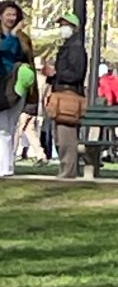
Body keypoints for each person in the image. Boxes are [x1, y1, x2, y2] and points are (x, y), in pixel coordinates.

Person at [0, 0, 37, 177]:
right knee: (1, 129)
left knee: (10, 127)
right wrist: (13, 34)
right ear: (0, 16)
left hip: (17, 87)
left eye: (14, 15)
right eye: (8, 14)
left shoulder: (24, 39)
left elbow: (29, 61)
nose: (11, 18)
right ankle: (5, 169)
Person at [49, 11, 87, 179]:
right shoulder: (68, 47)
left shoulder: (75, 48)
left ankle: (68, 170)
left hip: (69, 95)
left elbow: (76, 74)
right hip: (62, 92)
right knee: (61, 136)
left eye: (66, 25)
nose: (62, 28)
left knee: (67, 137)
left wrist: (56, 73)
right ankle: (65, 168)